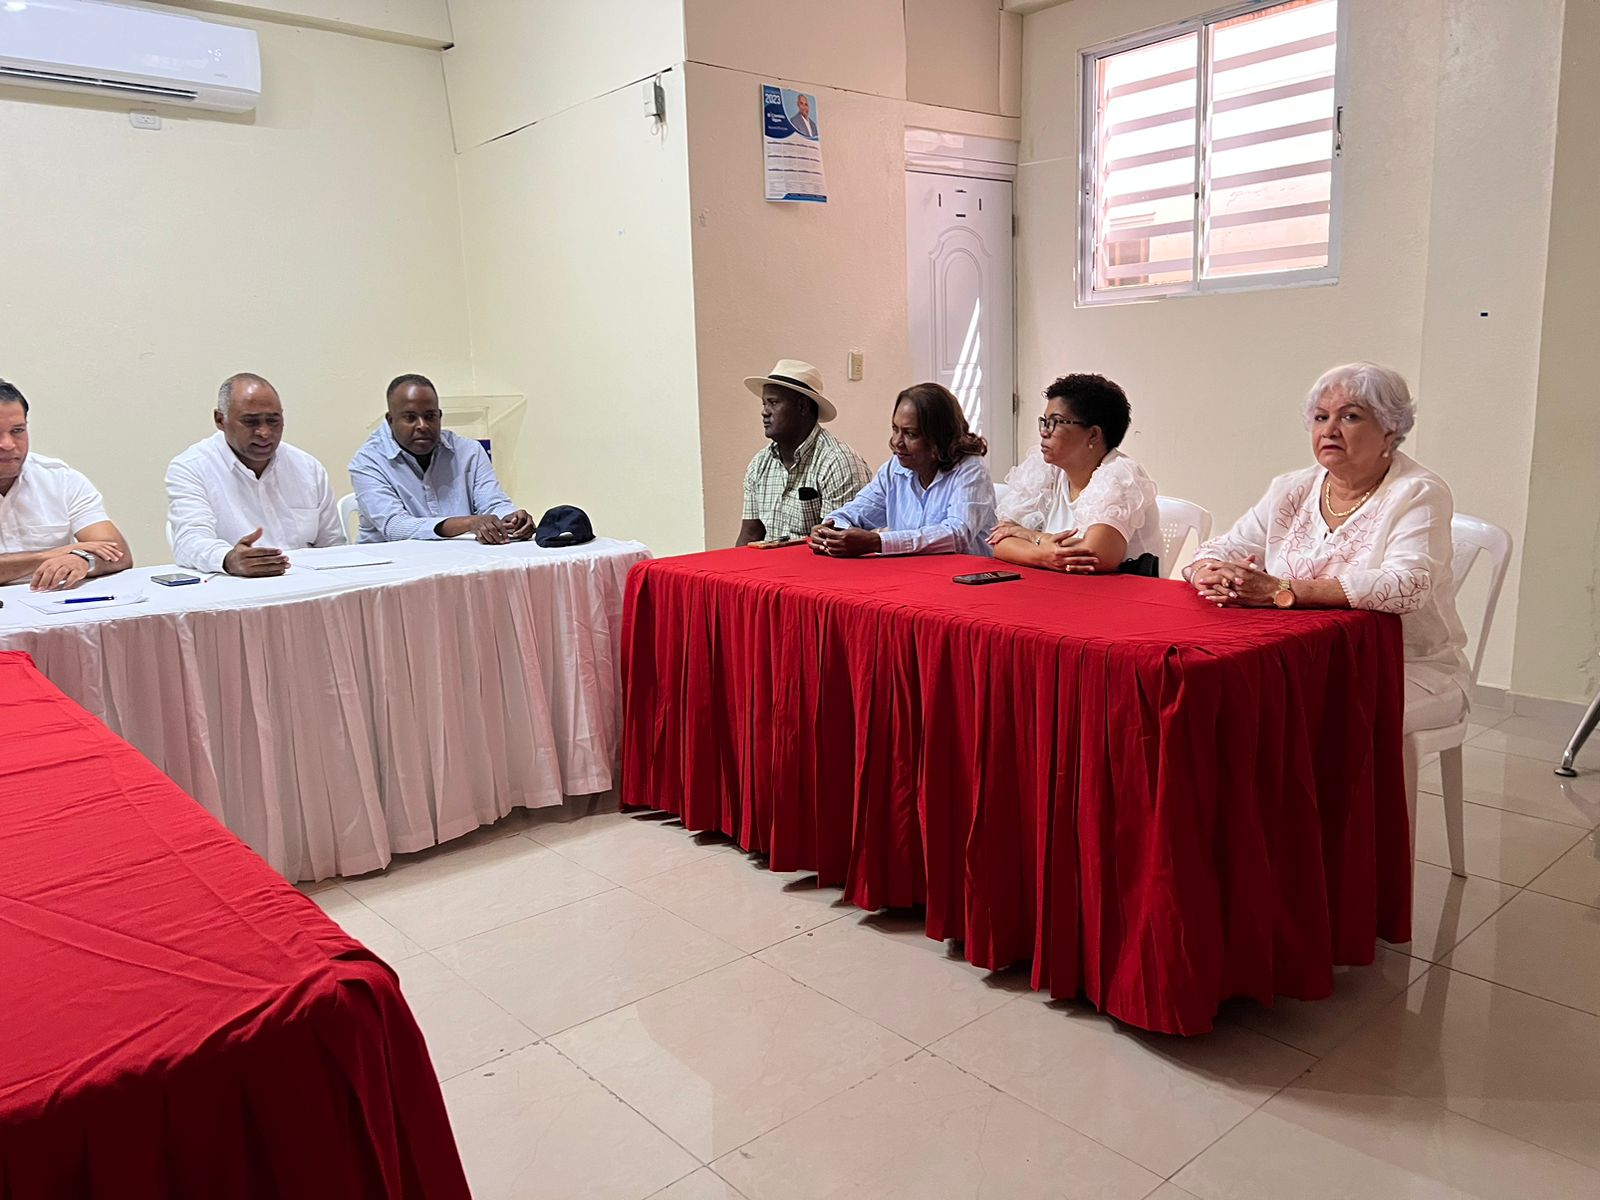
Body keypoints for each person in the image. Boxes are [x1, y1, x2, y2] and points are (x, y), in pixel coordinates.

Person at [1186, 362, 1470, 732]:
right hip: (1300, 656)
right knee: (1220, 693)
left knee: (1295, 712)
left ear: (1390, 429)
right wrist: (1211, 573)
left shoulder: (1417, 492)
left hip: (1405, 666)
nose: (1330, 430)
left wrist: (1281, 590)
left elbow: (1407, 586)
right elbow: (1226, 546)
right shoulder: (1292, 488)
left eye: (1350, 417)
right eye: (1321, 417)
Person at [165, 373, 345, 577]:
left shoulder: (307, 467)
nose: (264, 432)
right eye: (250, 422)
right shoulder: (191, 467)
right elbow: (189, 542)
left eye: (273, 421)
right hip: (237, 587)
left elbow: (333, 546)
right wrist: (228, 559)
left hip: (308, 583)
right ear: (220, 420)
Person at [988, 373, 1161, 574]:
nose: (1044, 432)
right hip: (1059, 583)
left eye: (1056, 422)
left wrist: (1032, 537)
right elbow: (1000, 541)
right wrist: (1044, 554)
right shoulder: (1045, 468)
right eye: (1044, 421)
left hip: (1120, 589)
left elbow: (1094, 557)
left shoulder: (1121, 474)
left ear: (1093, 434)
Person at [810, 381, 995, 557]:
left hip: (964, 575)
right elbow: (856, 511)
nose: (897, 442)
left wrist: (878, 542)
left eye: (911, 434)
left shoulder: (971, 469)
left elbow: (957, 534)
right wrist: (831, 529)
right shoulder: (895, 468)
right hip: (911, 573)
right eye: (895, 429)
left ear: (940, 437)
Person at [350, 373, 533, 544]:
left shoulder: (469, 452)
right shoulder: (367, 462)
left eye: (430, 416)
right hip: (389, 562)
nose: (422, 425)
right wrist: (469, 523)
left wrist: (511, 519)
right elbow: (394, 526)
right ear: (390, 420)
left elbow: (493, 503)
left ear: (439, 416)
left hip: (458, 557)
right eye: (410, 418)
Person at [0, 378, 132, 591]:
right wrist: (49, 556)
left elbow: (119, 554)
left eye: (17, 430)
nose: (8, 444)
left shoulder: (60, 479)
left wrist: (82, 560)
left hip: (52, 602)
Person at [737, 359, 870, 546]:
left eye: (773, 403)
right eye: (764, 404)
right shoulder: (759, 464)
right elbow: (750, 535)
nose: (764, 412)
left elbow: (838, 544)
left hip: (818, 562)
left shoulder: (838, 461)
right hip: (768, 563)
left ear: (802, 406)